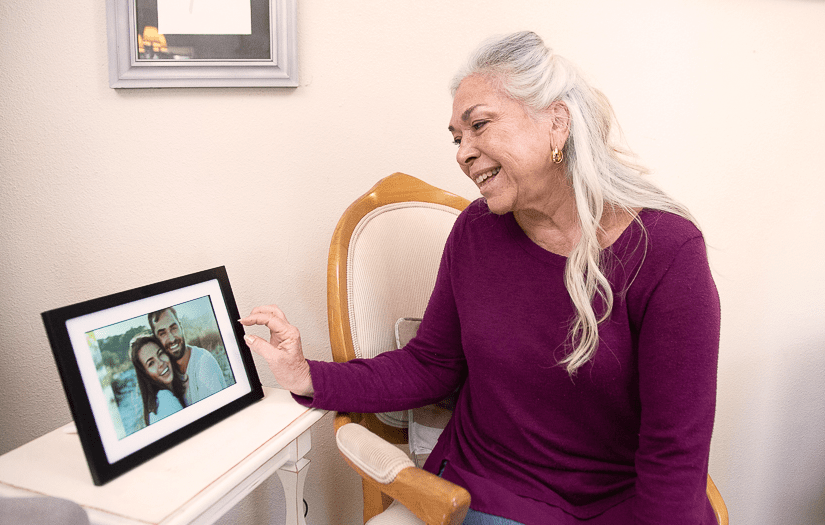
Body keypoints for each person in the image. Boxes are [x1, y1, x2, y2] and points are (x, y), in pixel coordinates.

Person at [241, 31, 720, 525]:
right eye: (457, 137)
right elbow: (431, 364)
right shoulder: (476, 231)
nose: (462, 152)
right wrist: (307, 375)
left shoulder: (667, 251)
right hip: (486, 491)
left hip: (615, 505)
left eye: (480, 126)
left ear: (557, 123)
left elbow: (673, 451)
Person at [148, 307, 227, 405]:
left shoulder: (203, 364)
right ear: (156, 339)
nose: (172, 339)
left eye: (173, 328)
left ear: (181, 327)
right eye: (162, 333)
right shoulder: (168, 372)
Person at [129, 333, 185, 426]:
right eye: (151, 363)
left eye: (160, 353)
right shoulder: (166, 400)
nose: (160, 363)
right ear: (145, 374)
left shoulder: (156, 403)